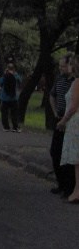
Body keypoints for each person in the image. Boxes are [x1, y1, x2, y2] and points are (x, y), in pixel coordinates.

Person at [49, 54, 76, 197]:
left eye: (63, 66)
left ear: (71, 66)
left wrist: (66, 119)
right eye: (59, 66)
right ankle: (61, 183)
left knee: (68, 155)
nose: (61, 69)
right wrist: (55, 114)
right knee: (55, 152)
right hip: (59, 119)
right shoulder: (59, 79)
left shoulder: (75, 82)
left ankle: (69, 187)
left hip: (70, 121)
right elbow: (52, 96)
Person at [57, 54, 79, 203]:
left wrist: (63, 121)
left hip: (75, 122)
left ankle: (76, 192)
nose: (69, 67)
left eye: (70, 64)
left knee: (77, 160)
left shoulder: (77, 82)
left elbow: (73, 106)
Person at [0, 62, 21, 132]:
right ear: (13, 68)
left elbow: (0, 82)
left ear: (7, 68)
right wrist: (16, 74)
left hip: (4, 97)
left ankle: (6, 127)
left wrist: (5, 74)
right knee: (14, 113)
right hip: (13, 97)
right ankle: (15, 127)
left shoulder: (5, 76)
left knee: (4, 113)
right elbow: (20, 80)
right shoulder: (15, 76)